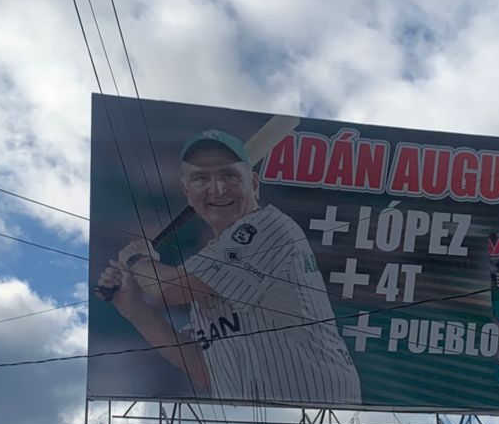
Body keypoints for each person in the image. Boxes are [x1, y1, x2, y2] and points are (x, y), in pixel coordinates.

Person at [97, 129, 362, 406]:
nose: (217, 189)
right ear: (187, 192)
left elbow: (167, 290)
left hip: (320, 411)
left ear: (255, 184)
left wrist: (137, 259)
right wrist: (134, 309)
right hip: (263, 414)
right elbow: (205, 370)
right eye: (202, 178)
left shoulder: (268, 227)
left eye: (229, 176)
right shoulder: (211, 260)